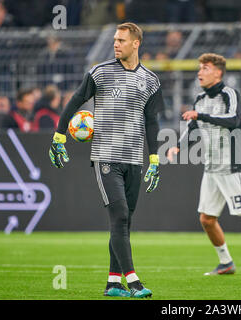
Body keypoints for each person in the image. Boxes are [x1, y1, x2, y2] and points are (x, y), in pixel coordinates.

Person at [49, 22, 164, 298]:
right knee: (120, 215)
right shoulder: (100, 72)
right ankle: (133, 282)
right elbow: (75, 100)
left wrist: (155, 159)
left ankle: (113, 283)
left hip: (135, 160)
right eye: (115, 39)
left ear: (136, 43)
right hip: (106, 158)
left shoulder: (150, 80)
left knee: (125, 222)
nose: (116, 44)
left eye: (122, 40)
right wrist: (59, 136)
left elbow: (152, 121)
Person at [167, 53, 241, 277]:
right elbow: (193, 127)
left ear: (218, 72)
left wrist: (201, 115)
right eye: (199, 68)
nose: (200, 72)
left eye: (206, 68)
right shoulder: (199, 99)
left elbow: (233, 121)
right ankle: (226, 262)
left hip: (232, 166)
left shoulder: (230, 94)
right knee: (207, 219)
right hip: (211, 169)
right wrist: (178, 147)